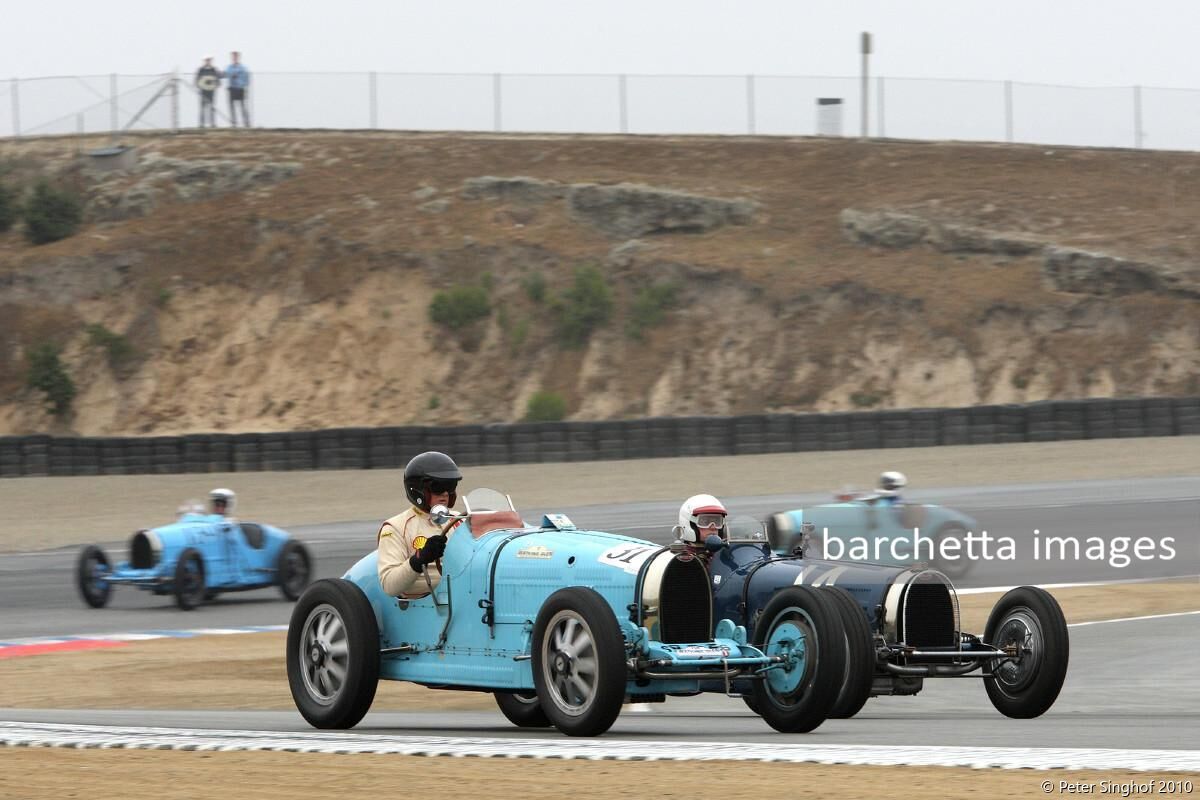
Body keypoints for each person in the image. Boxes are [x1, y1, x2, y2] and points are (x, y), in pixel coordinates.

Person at [377, 452, 462, 598]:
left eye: (450, 486)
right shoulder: (395, 527)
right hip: (427, 605)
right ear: (418, 491)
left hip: (463, 596)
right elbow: (389, 585)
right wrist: (419, 559)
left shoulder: (460, 520)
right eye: (438, 487)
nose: (446, 493)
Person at [224, 51, 251, 127]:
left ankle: (246, 123)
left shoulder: (243, 68)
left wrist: (244, 86)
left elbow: (246, 79)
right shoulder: (229, 67)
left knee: (243, 107)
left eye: (236, 56)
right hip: (232, 89)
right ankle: (234, 123)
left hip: (240, 89)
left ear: (238, 57)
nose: (234, 58)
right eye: (233, 57)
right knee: (232, 107)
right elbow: (226, 75)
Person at [194, 56, 221, 128]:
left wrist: (214, 84)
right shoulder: (201, 70)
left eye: (209, 60)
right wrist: (201, 85)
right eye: (206, 60)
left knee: (212, 107)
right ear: (204, 61)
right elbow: (196, 81)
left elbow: (218, 81)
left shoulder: (214, 70)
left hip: (211, 91)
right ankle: (201, 124)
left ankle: (213, 123)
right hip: (203, 91)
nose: (208, 62)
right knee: (202, 107)